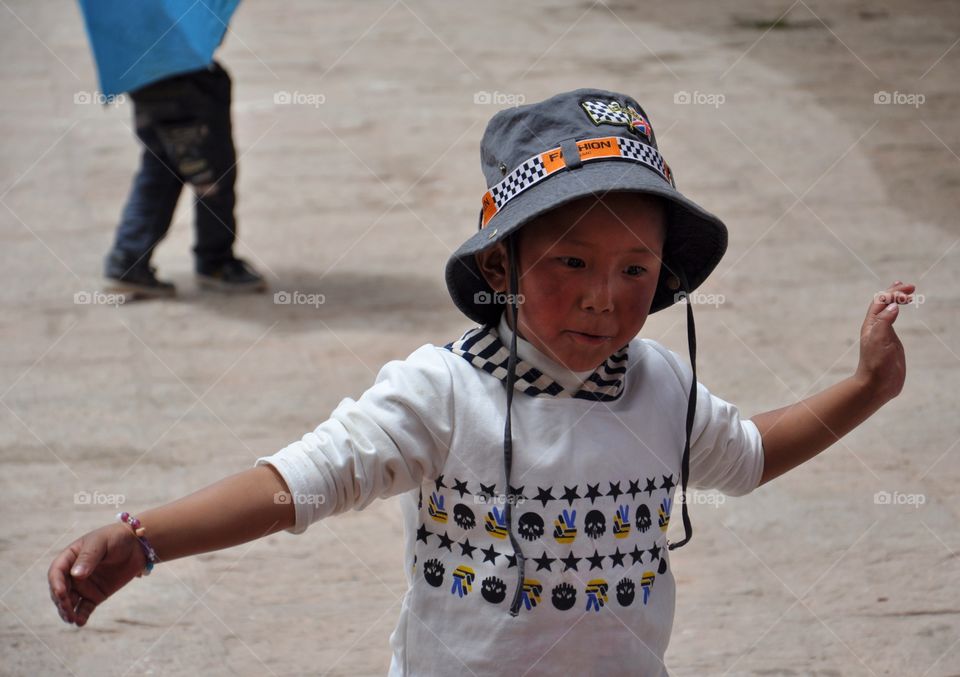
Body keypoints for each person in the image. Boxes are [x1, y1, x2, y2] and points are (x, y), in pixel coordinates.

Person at [49, 89, 914, 675]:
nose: (601, 298)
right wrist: (146, 537)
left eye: (634, 269)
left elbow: (752, 452)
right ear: (500, 261)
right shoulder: (440, 393)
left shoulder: (660, 385)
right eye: (569, 261)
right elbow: (295, 484)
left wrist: (866, 387)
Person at [103, 61, 266, 297]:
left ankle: (128, 258)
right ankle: (216, 262)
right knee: (211, 177)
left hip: (146, 83)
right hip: (188, 90)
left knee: (159, 170)